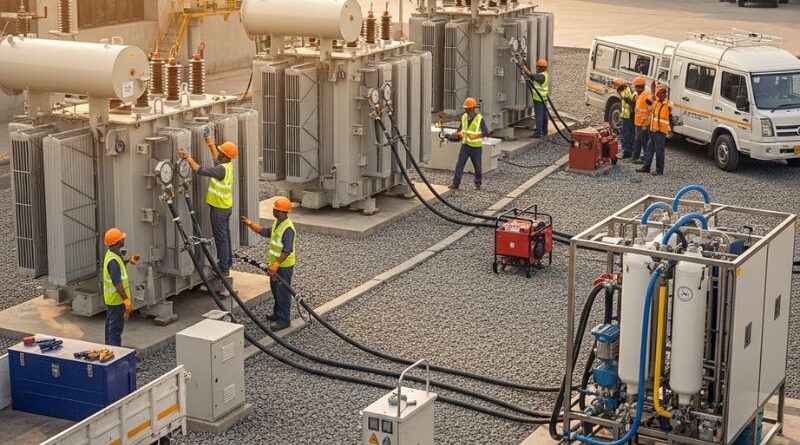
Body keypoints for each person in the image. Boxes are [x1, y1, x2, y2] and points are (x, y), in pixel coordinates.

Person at [177, 128, 238, 291]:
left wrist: (188, 157)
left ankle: (223, 268)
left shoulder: (220, 170)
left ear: (225, 156)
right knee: (226, 236)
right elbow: (215, 157)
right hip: (225, 207)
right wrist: (210, 142)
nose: (218, 153)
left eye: (220, 152)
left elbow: (199, 170)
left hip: (219, 209)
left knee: (221, 238)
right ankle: (227, 263)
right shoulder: (227, 165)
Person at [240, 197, 296, 331]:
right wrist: (251, 224)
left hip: (283, 266)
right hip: (275, 265)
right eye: (274, 209)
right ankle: (278, 314)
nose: (274, 212)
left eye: (276, 210)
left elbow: (287, 250)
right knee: (276, 291)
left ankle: (284, 320)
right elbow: (266, 232)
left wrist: (276, 264)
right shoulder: (278, 223)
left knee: (283, 292)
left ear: (283, 212)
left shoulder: (288, 229)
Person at [102, 227, 139, 347]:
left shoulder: (112, 254)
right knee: (115, 329)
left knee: (110, 325)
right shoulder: (113, 261)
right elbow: (118, 284)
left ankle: (109, 349)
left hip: (112, 300)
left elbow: (119, 266)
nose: (124, 239)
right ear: (117, 242)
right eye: (121, 238)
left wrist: (129, 261)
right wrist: (126, 300)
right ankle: (114, 354)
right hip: (116, 300)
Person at [450, 97, 489, 190]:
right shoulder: (464, 117)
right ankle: (455, 183)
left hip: (476, 147)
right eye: (465, 108)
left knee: (477, 166)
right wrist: (457, 134)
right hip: (465, 145)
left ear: (472, 108)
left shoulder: (479, 119)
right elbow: (460, 129)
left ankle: (478, 183)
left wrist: (476, 136)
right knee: (459, 164)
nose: (466, 110)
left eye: (467, 108)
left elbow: (486, 132)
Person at [637, 86, 671, 176]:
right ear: (657, 94)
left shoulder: (666, 103)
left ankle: (659, 170)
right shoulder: (656, 102)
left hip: (660, 131)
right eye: (661, 92)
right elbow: (650, 107)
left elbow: (670, 106)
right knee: (649, 148)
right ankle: (646, 167)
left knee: (659, 150)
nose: (663, 94)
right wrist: (652, 95)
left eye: (664, 93)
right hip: (653, 130)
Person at [612, 78, 636, 159]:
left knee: (625, 135)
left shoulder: (627, 92)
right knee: (630, 134)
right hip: (627, 116)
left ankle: (626, 152)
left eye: (617, 87)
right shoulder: (627, 90)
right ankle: (630, 151)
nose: (617, 89)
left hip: (628, 117)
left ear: (620, 86)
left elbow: (632, 104)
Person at [528, 58, 550, 138]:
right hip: (543, 99)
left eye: (538, 67)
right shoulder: (545, 74)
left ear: (541, 68)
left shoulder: (541, 76)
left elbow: (533, 76)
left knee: (539, 116)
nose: (537, 68)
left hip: (539, 99)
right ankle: (544, 131)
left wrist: (527, 72)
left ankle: (538, 133)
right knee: (544, 116)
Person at [631, 77, 651, 163]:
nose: (635, 89)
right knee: (637, 140)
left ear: (640, 87)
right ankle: (635, 156)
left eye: (636, 87)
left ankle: (645, 158)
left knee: (644, 141)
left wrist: (646, 124)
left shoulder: (646, 96)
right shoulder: (639, 95)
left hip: (644, 124)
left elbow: (651, 110)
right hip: (638, 122)